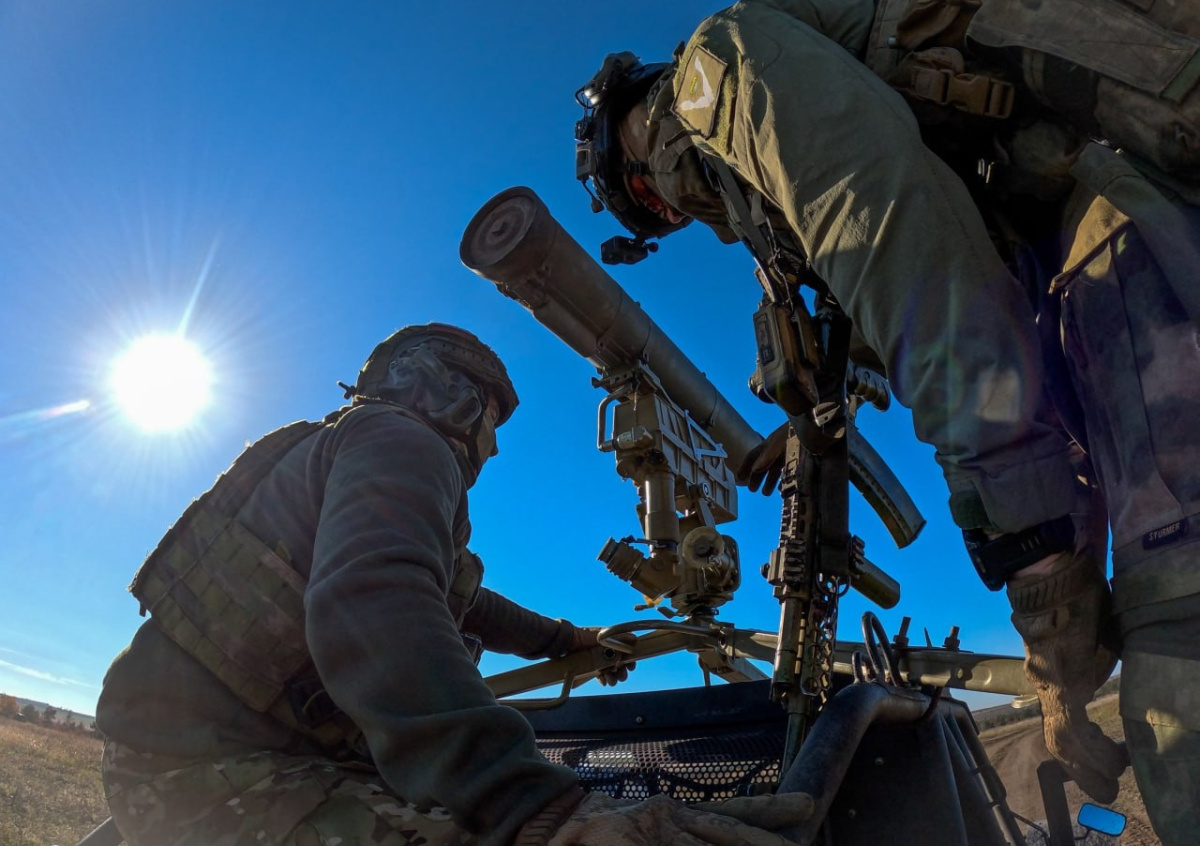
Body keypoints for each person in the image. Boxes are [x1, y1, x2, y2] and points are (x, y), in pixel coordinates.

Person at [573, 2, 1200, 843]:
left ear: (635, 146)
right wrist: (1064, 664)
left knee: (1180, 641)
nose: (683, 215)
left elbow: (919, 274)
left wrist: (1039, 580)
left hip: (1124, 203)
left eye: (654, 200)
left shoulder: (714, 71)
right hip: (1088, 243)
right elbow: (980, 358)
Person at [95, 323, 808, 846]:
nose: (488, 443)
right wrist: (533, 805)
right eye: (486, 414)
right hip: (211, 771)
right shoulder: (401, 439)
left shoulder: (350, 445)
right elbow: (375, 602)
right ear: (440, 391)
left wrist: (570, 640)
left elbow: (462, 603)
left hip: (187, 751)